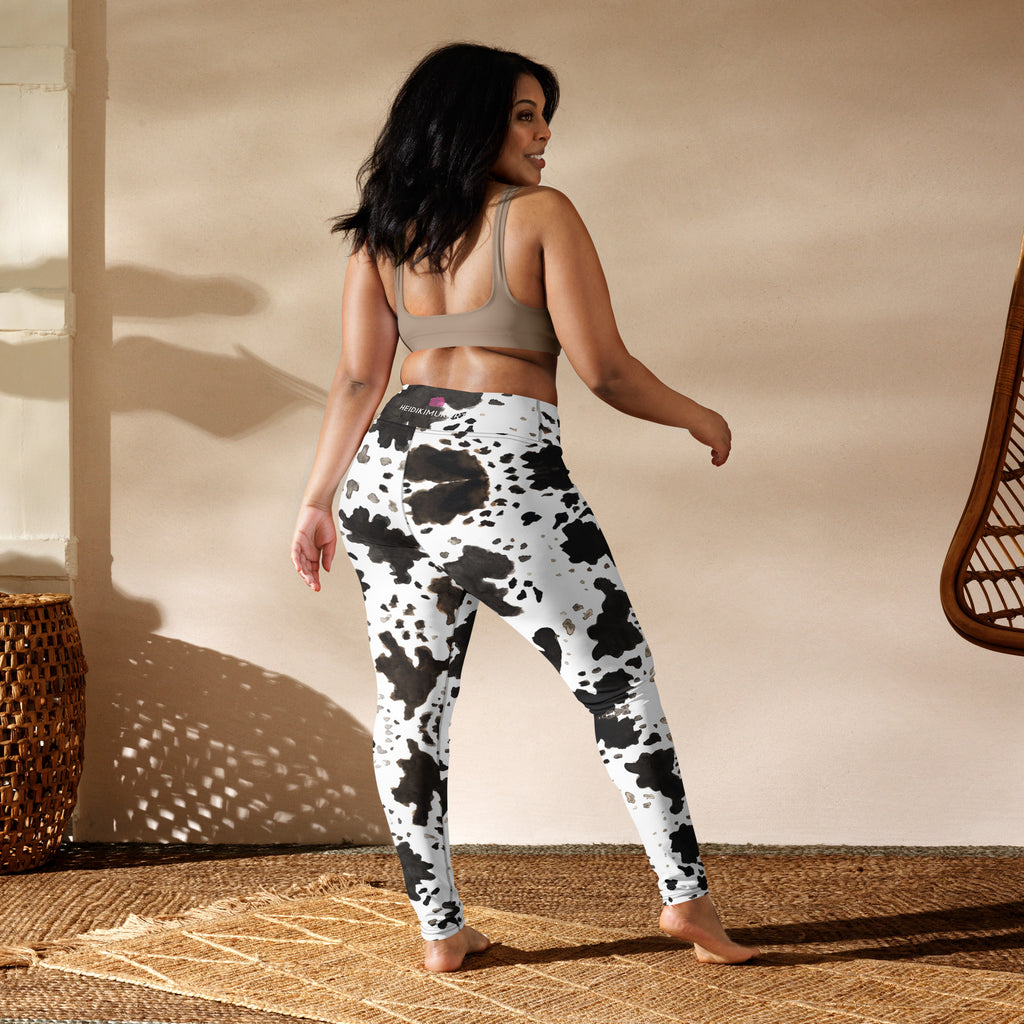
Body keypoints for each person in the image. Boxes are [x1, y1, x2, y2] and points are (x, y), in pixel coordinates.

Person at [291, 42, 758, 973]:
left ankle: (440, 930)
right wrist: (696, 414)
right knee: (617, 678)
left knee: (410, 708)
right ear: (470, 121)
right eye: (524, 115)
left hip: (384, 474)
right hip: (494, 470)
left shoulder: (385, 233)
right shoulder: (542, 215)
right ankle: (687, 901)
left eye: (546, 117)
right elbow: (606, 370)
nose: (544, 136)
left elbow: (356, 381)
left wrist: (316, 502)